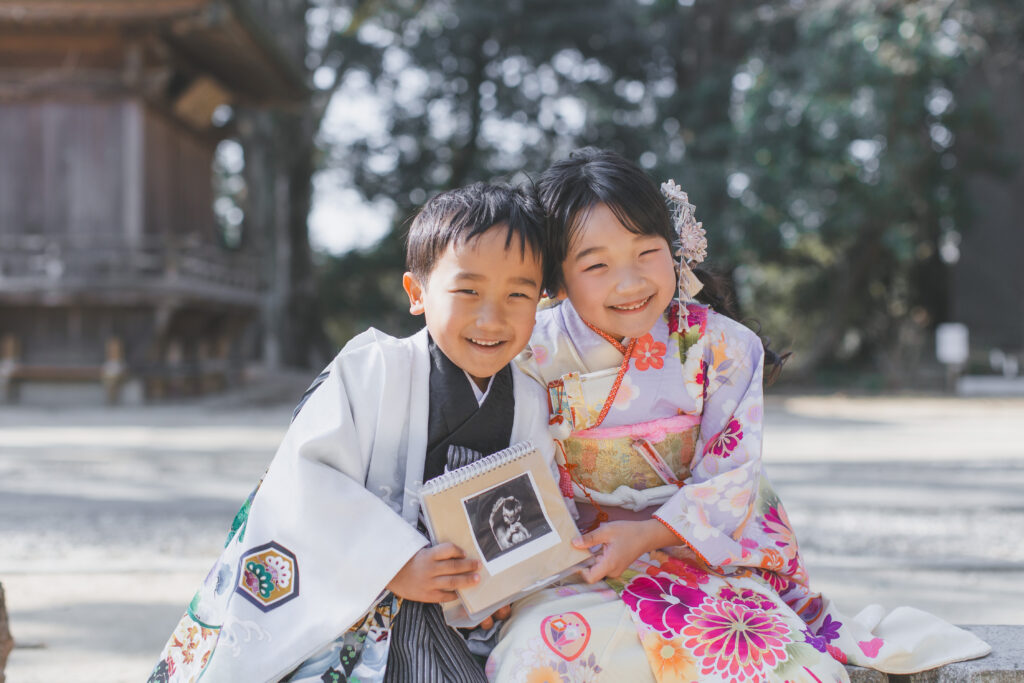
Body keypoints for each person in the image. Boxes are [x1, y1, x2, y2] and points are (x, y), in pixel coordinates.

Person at [486, 148, 990, 682]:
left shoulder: (722, 347)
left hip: (699, 558)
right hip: (572, 564)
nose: (629, 282)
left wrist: (647, 535)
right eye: (596, 265)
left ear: (674, 249)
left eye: (646, 252)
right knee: (543, 656)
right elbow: (513, 475)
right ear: (557, 279)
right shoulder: (528, 353)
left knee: (772, 662)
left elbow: (731, 478)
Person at [149, 182, 556, 683]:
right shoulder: (372, 370)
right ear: (417, 292)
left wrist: (500, 587)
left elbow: (533, 509)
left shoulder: (528, 400)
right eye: (468, 291)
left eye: (518, 294)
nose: (491, 318)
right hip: (350, 609)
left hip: (459, 618)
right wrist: (396, 563)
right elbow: (304, 479)